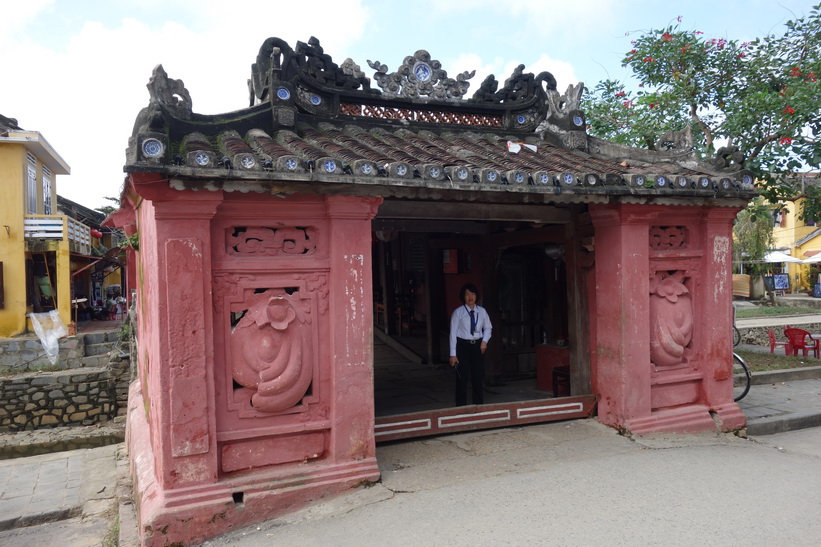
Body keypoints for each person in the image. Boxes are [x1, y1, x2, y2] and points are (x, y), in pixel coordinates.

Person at [449, 283, 492, 406]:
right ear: (463, 297)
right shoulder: (458, 312)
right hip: (463, 346)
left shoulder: (482, 311)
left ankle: (478, 405)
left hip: (478, 346)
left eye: (472, 294)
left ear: (476, 296)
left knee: (477, 376)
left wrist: (484, 342)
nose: (470, 297)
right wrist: (453, 354)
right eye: (467, 294)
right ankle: (461, 406)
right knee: (461, 377)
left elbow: (488, 328)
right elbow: (453, 334)